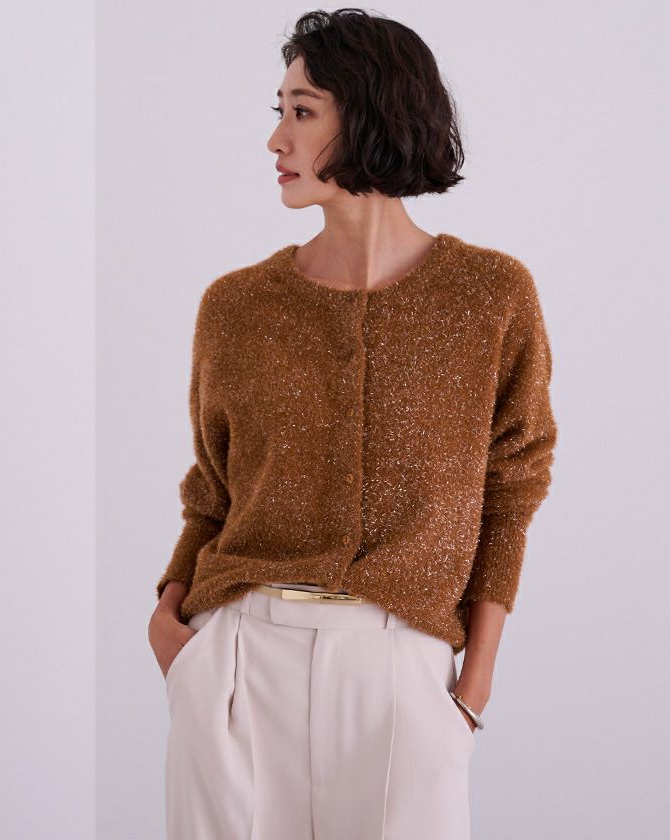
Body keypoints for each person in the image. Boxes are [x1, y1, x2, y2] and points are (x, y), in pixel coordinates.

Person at [148, 8, 558, 840]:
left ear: (372, 114)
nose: (276, 139)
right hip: (236, 660)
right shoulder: (237, 307)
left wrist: (472, 686)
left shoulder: (489, 297)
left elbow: (510, 492)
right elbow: (212, 492)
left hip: (399, 675)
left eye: (302, 111)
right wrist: (170, 623)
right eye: (279, 111)